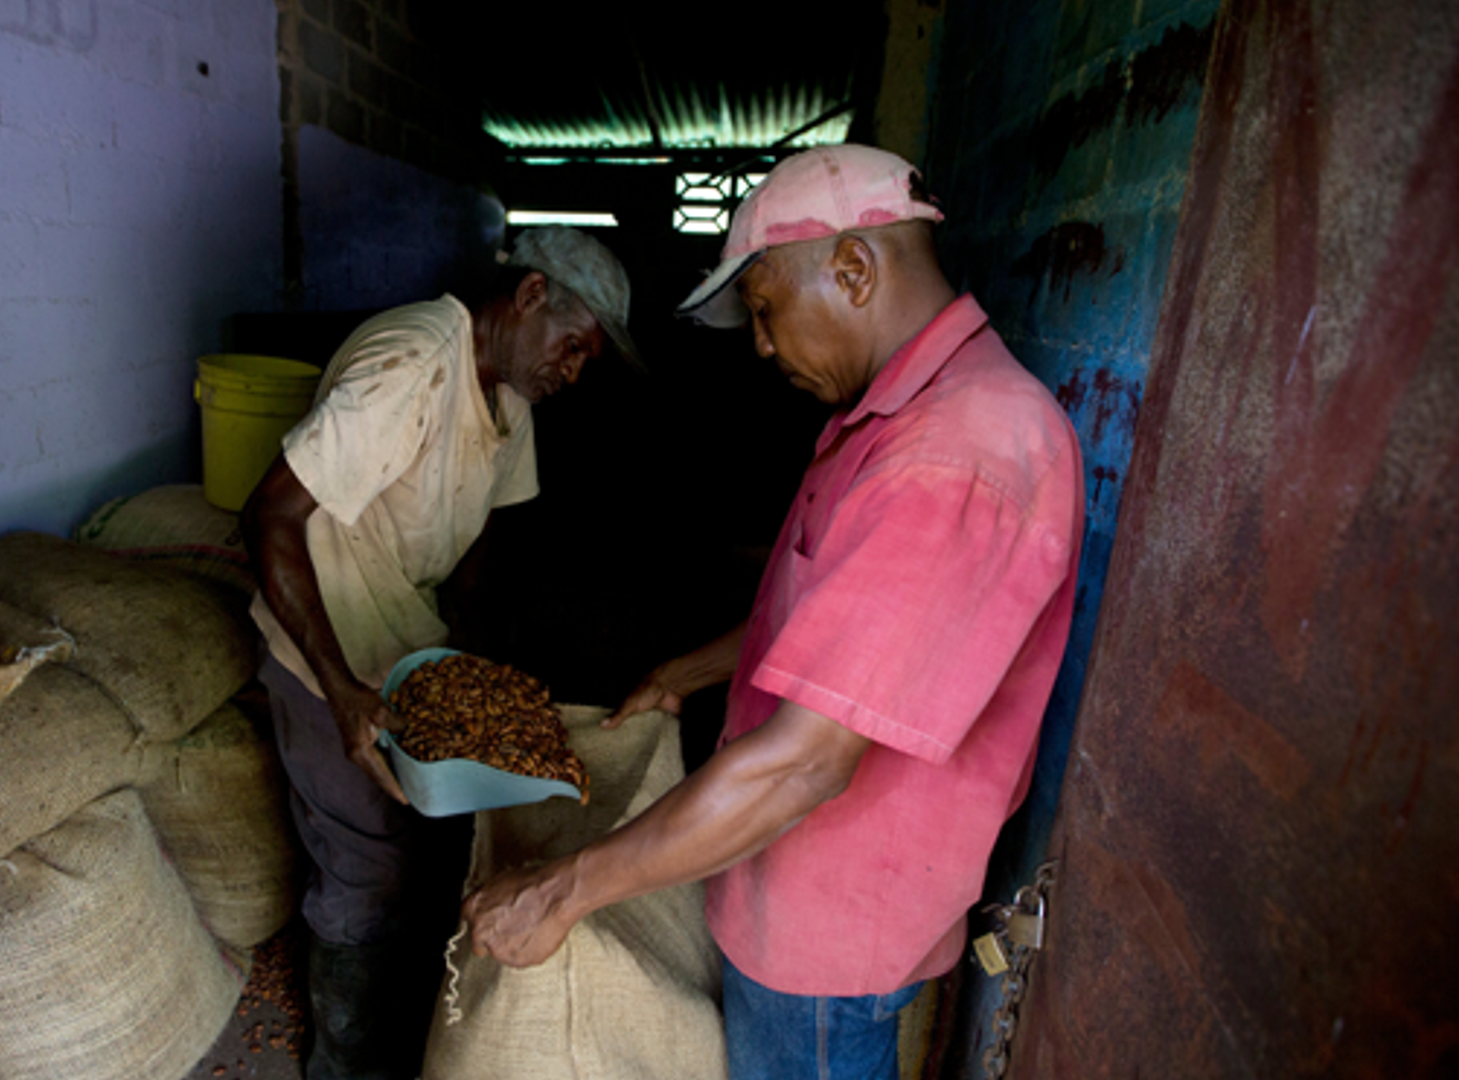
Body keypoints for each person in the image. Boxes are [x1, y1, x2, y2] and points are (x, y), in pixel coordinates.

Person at [461, 145, 1086, 1080]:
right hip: (782, 894)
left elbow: (806, 760)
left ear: (852, 269)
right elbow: (827, 629)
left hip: (826, 938)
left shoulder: (955, 454)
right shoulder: (886, 421)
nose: (759, 344)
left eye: (762, 309)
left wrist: (562, 890)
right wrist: (686, 672)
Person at [239, 226, 638, 1080]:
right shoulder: (412, 366)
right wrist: (340, 689)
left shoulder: (512, 397)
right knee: (364, 875)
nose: (570, 373)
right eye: (571, 347)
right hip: (326, 658)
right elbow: (269, 517)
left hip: (402, 650)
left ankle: (408, 1027)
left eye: (583, 363)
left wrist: (485, 670)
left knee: (425, 849)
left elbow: (484, 540)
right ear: (529, 296)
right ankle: (345, 1063)